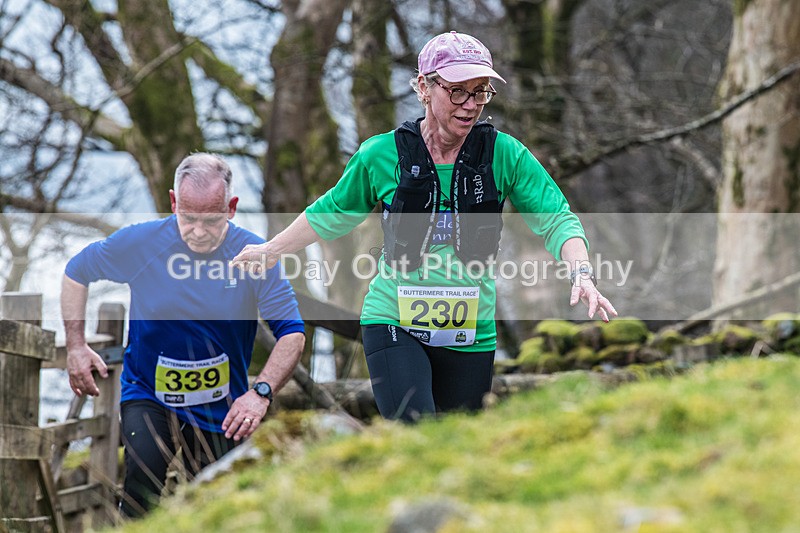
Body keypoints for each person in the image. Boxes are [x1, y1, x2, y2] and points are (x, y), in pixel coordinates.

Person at [232, 31, 616, 422]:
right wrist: (270, 251)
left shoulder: (504, 154)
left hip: (471, 331)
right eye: (457, 92)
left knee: (452, 446)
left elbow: (557, 218)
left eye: (481, 92)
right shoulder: (381, 155)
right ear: (424, 87)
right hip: (393, 319)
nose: (471, 106)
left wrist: (581, 273)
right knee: (414, 428)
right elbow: (331, 212)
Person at [62, 153, 305, 517]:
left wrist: (261, 393)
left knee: (219, 509)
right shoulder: (142, 243)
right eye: (188, 219)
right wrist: (76, 346)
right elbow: (76, 271)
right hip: (149, 395)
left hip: (223, 408)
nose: (199, 231)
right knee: (140, 495)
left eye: (211, 220)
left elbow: (292, 334)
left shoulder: (256, 255)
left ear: (232, 208)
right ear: (174, 202)